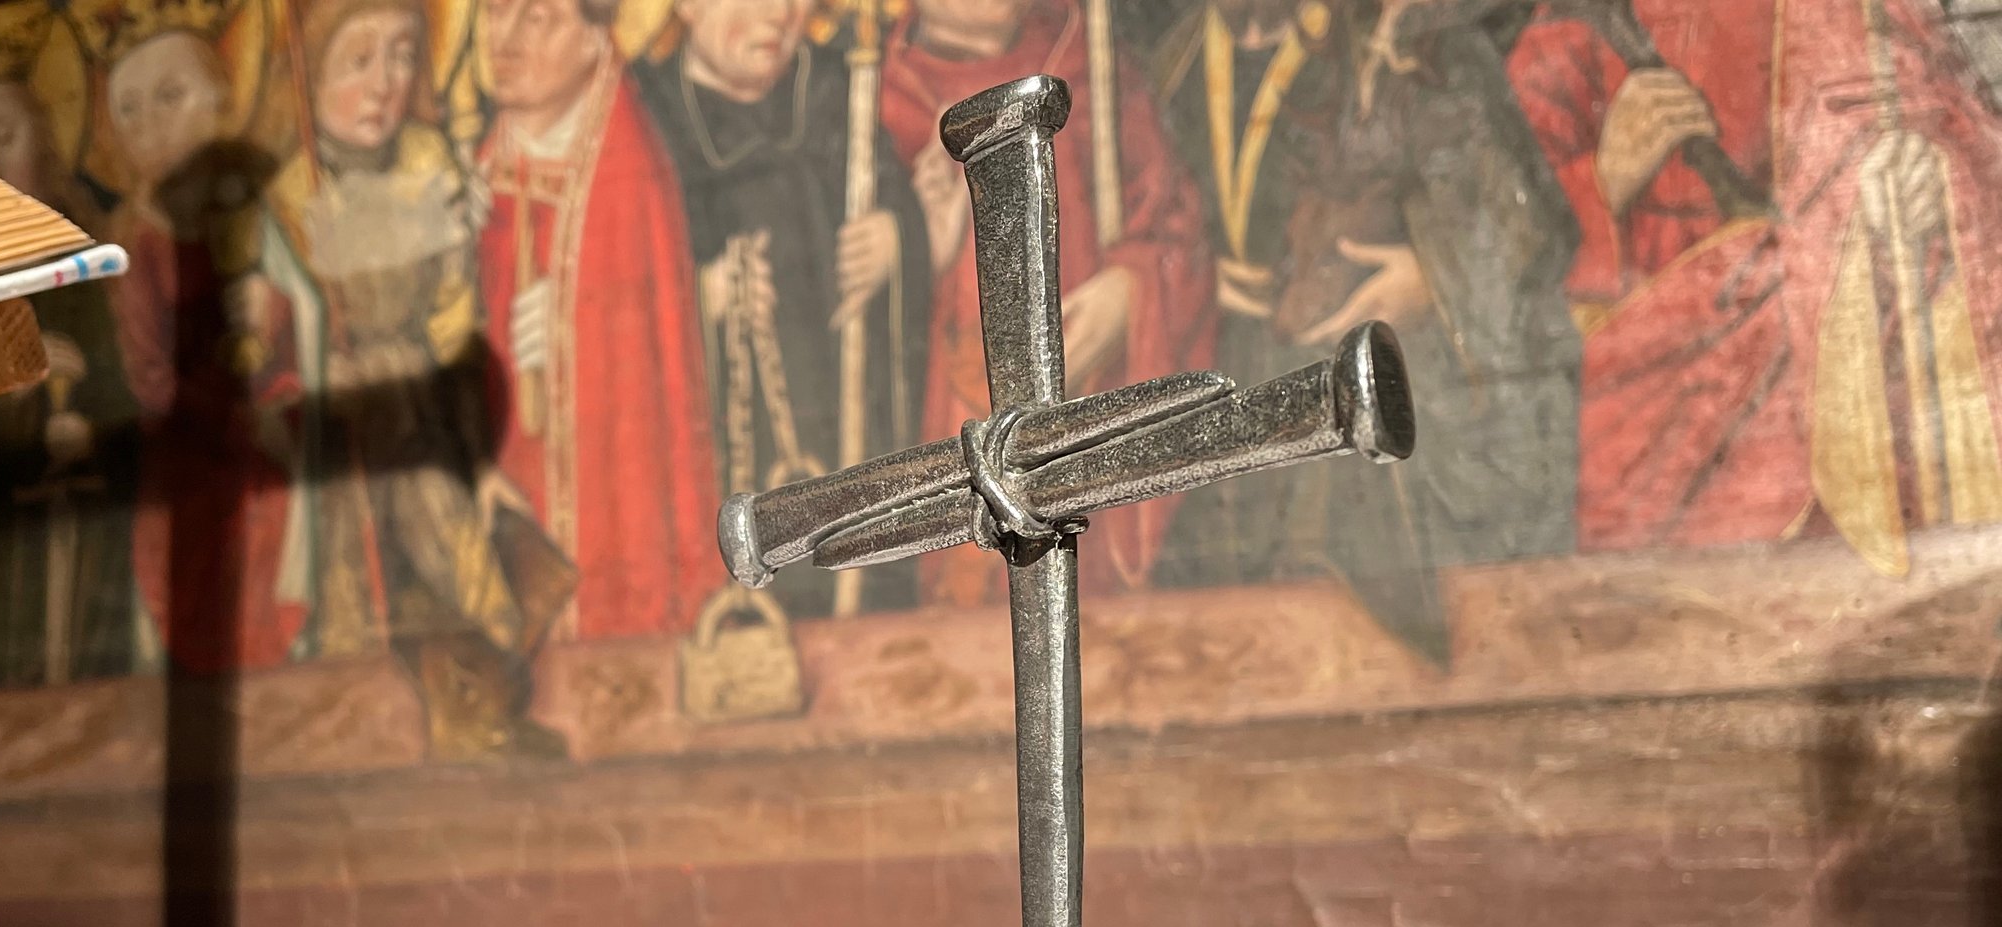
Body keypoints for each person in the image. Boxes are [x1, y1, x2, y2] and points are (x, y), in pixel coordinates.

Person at [1151, 0, 1582, 663]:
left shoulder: (1431, 50)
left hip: (1409, 382)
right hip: (1249, 362)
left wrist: (1431, 281)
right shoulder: (1181, 60)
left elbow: (1530, 234)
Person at [1508, 0, 2002, 574]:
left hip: (1833, 354)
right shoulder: (1566, 31)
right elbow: (1495, 256)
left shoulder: (1846, 11)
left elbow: (1949, 124)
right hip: (1641, 390)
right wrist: (1605, 178)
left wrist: (1925, 173)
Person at [247, 0, 569, 758]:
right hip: (332, 419)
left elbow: (457, 318)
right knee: (349, 582)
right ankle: (357, 740)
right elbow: (256, 353)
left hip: (418, 404)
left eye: (401, 56)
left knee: (460, 554)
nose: (385, 83)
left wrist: (474, 448)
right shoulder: (285, 193)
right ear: (314, 73)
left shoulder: (431, 166)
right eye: (358, 61)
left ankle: (491, 712)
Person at [880, 0, 1215, 606]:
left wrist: (1132, 292)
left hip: (1087, 397)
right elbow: (825, 320)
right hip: (946, 411)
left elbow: (1175, 227)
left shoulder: (1089, 61)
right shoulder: (869, 96)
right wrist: (915, 246)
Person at [636, 0, 930, 619]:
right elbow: (614, 286)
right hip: (725, 434)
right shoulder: (645, 113)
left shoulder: (836, 87)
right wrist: (701, 294)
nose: (778, 17)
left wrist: (894, 241)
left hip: (843, 417)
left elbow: (901, 212)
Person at [479, 0, 726, 639]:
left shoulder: (627, 171)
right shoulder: (473, 167)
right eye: (493, 12)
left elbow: (645, 365)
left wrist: (569, 325)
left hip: (599, 481)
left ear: (597, 38)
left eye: (537, 18)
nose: (504, 40)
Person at [102, 28, 304, 675]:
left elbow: (319, 312)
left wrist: (278, 310)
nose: (149, 125)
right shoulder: (132, 242)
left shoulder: (271, 201)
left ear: (222, 99)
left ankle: (278, 655)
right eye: (128, 110)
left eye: (169, 96)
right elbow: (147, 370)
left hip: (280, 402)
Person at [0, 79, 139, 687]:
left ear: (49, 148)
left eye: (5, 137)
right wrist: (14, 400)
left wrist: (86, 423)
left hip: (78, 522)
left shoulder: (89, 271)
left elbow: (128, 392)